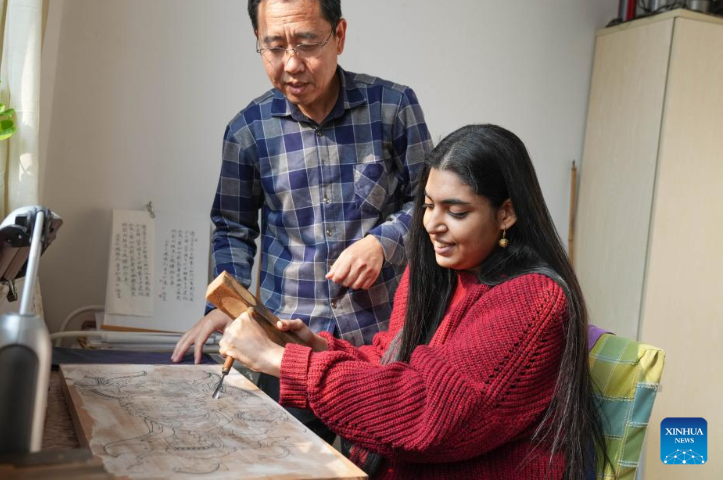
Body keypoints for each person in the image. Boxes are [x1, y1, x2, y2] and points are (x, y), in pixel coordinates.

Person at [218, 124, 610, 479]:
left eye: (456, 212)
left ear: (506, 213)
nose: (432, 225)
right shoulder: (438, 272)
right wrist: (317, 348)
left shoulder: (533, 299)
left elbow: (427, 413)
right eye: (427, 205)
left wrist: (283, 362)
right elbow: (394, 361)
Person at [171, 0, 432, 440]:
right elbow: (233, 230)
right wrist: (224, 305)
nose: (291, 64)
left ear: (340, 36)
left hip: (378, 342)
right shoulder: (247, 131)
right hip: (284, 341)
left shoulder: (393, 108)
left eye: (307, 43)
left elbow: (430, 203)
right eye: (273, 47)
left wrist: (381, 243)